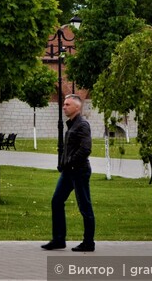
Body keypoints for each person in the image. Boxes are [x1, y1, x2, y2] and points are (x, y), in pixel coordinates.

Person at [42, 94, 95, 252]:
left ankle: (88, 242)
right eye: (64, 104)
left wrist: (70, 162)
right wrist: (64, 163)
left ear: (77, 107)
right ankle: (59, 239)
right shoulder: (71, 124)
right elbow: (69, 148)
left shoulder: (82, 124)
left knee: (84, 206)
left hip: (79, 171)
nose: (64, 107)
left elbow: (86, 148)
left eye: (67, 104)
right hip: (68, 172)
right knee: (56, 201)